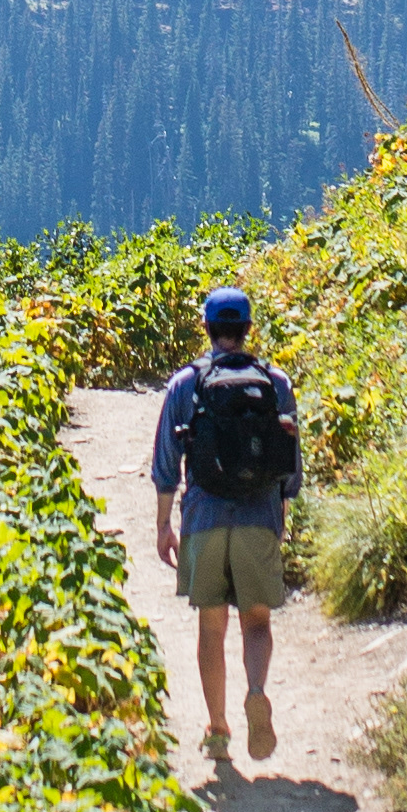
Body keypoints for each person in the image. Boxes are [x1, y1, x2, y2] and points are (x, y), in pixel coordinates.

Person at [151, 279, 298, 774]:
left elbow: (166, 463)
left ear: (208, 327)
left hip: (204, 516)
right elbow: (290, 464)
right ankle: (256, 690)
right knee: (256, 621)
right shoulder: (275, 382)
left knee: (211, 627)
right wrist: (280, 515)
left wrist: (164, 525)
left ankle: (217, 729)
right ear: (248, 327)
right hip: (259, 516)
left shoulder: (185, 383)